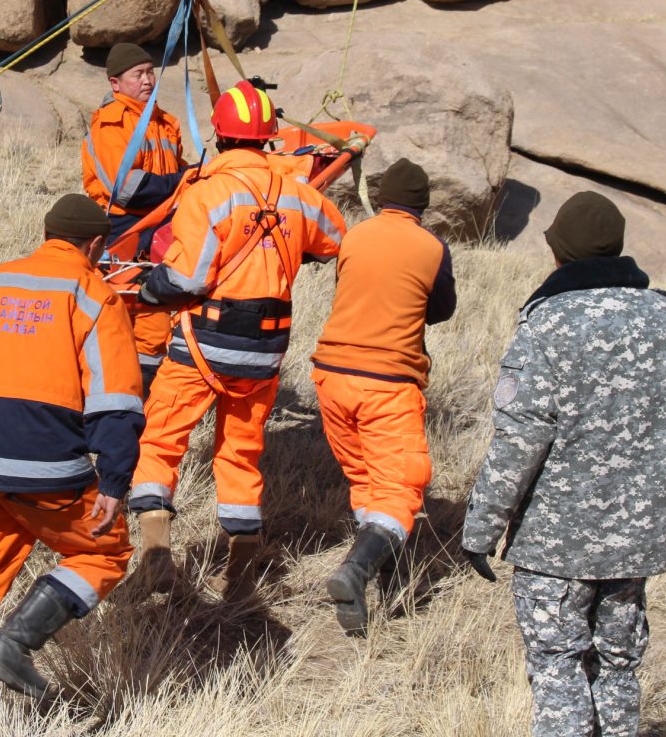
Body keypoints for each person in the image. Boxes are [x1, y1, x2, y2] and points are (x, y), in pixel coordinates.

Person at [0, 194, 144, 726]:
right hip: (48, 466)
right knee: (104, 552)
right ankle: (15, 645)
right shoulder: (94, 294)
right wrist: (114, 479)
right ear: (95, 245)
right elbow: (116, 398)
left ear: (48, 234)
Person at [462, 191, 666, 737]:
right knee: (618, 667)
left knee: (558, 668)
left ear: (559, 251)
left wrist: (480, 530)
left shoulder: (548, 324)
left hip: (554, 545)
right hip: (637, 541)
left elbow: (519, 440)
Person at [128, 80, 346, 597]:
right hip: (265, 349)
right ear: (269, 138)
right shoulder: (300, 194)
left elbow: (188, 279)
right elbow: (334, 242)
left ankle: (157, 558)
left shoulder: (209, 192)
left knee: (160, 441)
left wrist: (150, 288)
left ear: (220, 137)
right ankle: (240, 574)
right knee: (240, 453)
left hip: (202, 342)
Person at [311, 157, 456, 634]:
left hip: (332, 376)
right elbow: (442, 309)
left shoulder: (355, 236)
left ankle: (383, 584)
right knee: (399, 487)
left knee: (367, 479)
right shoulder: (432, 247)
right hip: (387, 382)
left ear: (382, 197)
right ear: (422, 205)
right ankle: (356, 572)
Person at [81, 42, 189, 399]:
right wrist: (184, 181)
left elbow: (176, 176)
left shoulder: (164, 122)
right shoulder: (112, 123)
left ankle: (140, 401)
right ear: (115, 83)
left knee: (154, 323)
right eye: (137, 74)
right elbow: (128, 190)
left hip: (160, 232)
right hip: (121, 234)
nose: (147, 80)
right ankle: (113, 397)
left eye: (150, 72)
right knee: (120, 317)